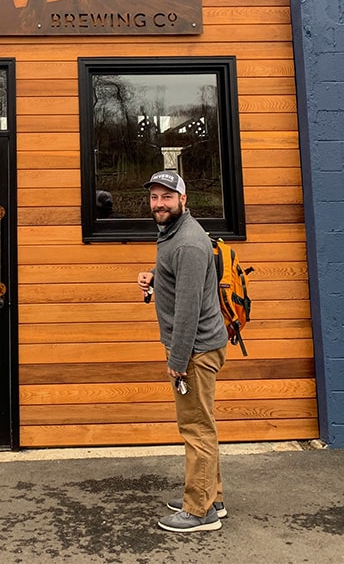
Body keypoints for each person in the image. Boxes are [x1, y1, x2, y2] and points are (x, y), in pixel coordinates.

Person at [137, 170, 228, 533]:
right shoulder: (174, 236)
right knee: (202, 424)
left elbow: (188, 308)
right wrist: (155, 277)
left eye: (166, 197)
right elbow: (182, 281)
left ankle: (199, 511)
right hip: (196, 346)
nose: (159, 204)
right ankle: (212, 497)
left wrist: (177, 360)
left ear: (183, 200)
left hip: (195, 350)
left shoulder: (187, 242)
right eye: (154, 197)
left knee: (195, 428)